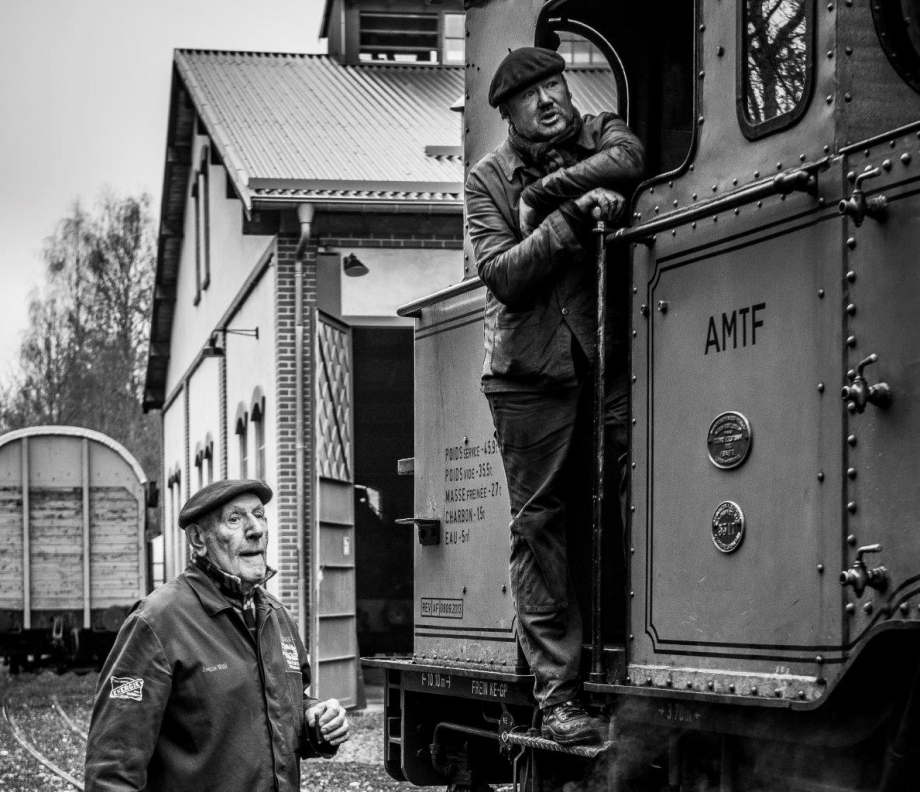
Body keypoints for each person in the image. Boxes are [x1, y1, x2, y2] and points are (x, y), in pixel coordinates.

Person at [465, 47, 644, 746]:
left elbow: (629, 160)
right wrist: (567, 219)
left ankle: (632, 658)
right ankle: (559, 698)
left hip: (603, 363)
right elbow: (502, 275)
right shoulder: (487, 179)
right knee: (540, 527)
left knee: (632, 497)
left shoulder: (600, 131)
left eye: (554, 85)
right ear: (506, 113)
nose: (549, 100)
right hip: (526, 377)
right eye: (530, 95)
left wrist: (546, 194)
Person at [84, 479, 348, 792]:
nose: (256, 530)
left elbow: (281, 710)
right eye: (235, 519)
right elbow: (112, 767)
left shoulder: (276, 616)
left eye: (260, 515)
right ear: (198, 539)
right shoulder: (158, 622)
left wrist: (315, 719)